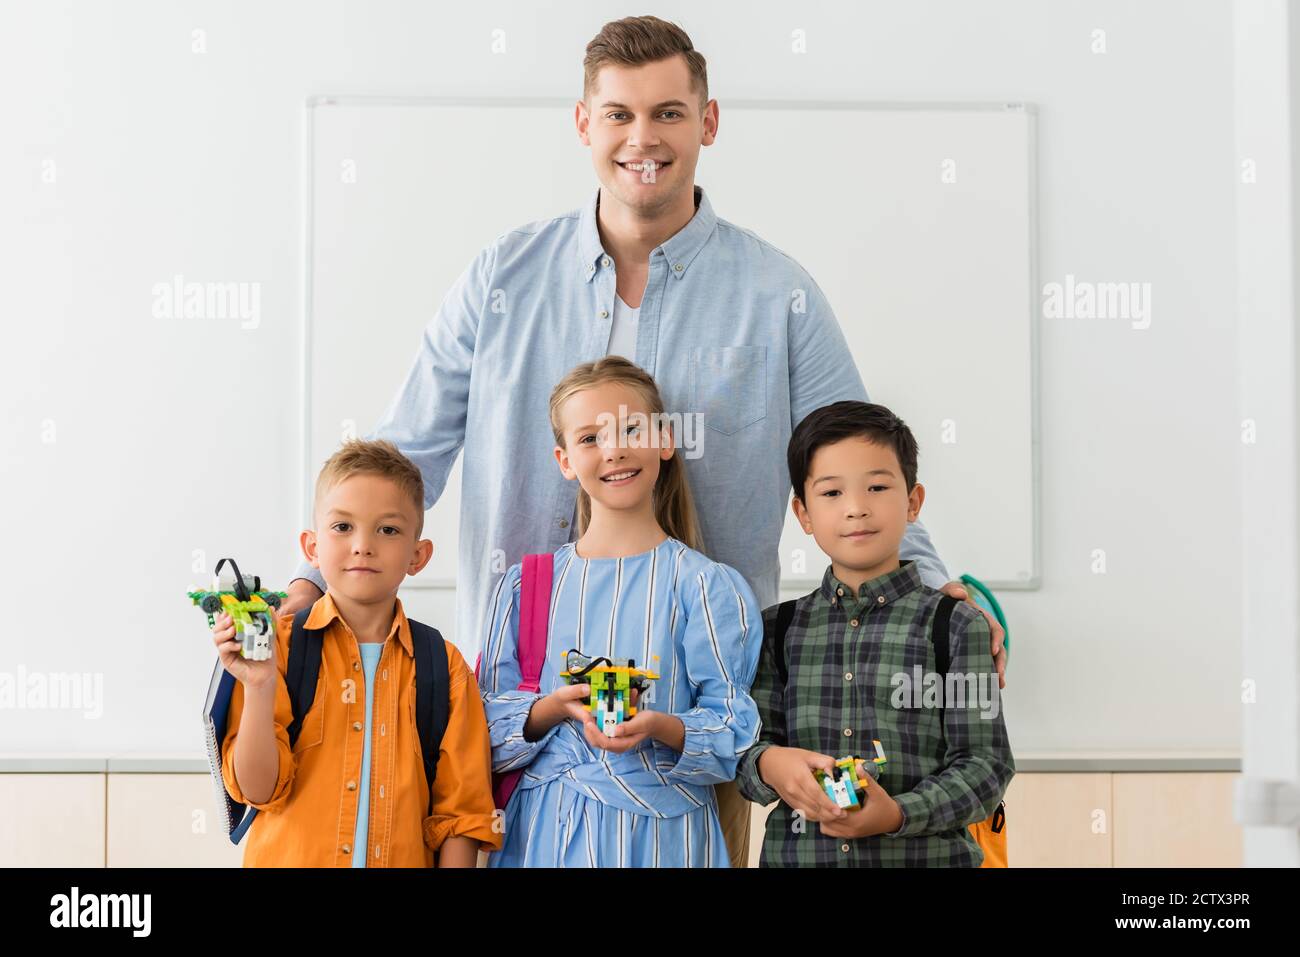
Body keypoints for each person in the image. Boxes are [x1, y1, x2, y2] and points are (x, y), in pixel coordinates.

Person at [279, 16, 1003, 869]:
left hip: (696, 739)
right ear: (584, 124)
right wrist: (307, 581)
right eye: (618, 114)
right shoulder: (500, 280)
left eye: (667, 113)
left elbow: (849, 457)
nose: (642, 138)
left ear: (709, 121)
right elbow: (402, 460)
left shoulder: (776, 295)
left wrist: (932, 589)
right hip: (515, 729)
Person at [478, 357, 760, 866]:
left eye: (631, 428)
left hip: (666, 842)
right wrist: (553, 708)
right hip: (545, 834)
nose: (614, 450)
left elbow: (732, 732)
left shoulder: (706, 587)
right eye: (590, 438)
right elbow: (483, 725)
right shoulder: (527, 585)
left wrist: (657, 726)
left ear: (664, 440)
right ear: (564, 460)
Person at [734, 402, 1014, 865]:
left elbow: (986, 766)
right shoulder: (775, 630)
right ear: (803, 514)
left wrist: (898, 814)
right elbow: (746, 754)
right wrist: (767, 763)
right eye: (831, 494)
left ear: (913, 503)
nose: (856, 508)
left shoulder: (957, 626)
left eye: (877, 487)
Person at [214, 439, 500, 866]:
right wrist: (259, 684)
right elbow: (257, 791)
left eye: (388, 529)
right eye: (343, 527)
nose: (363, 545)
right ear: (311, 548)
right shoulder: (279, 649)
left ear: (418, 556)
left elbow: (460, 818)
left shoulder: (446, 667)